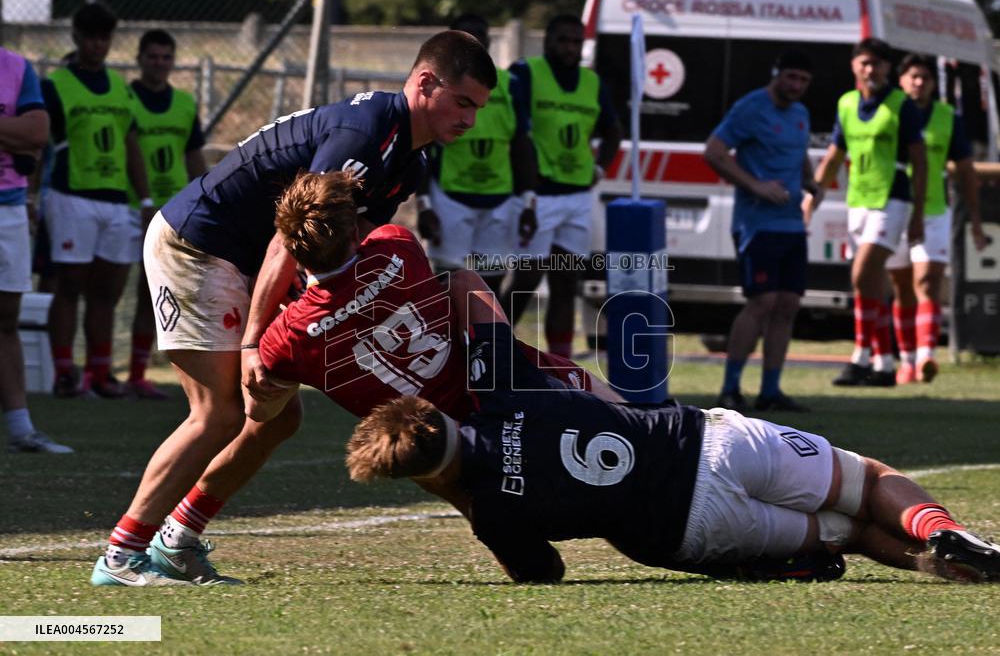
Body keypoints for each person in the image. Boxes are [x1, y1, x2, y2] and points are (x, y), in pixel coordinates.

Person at [90, 30, 497, 586]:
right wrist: (257, 339)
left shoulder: (408, 158)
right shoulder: (365, 135)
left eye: (479, 108)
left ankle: (176, 542)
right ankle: (121, 555)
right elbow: (287, 239)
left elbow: (342, 257)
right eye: (464, 102)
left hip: (243, 259)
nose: (471, 119)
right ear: (426, 83)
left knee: (275, 420)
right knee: (220, 413)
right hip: (199, 245)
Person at [347, 288, 1000, 584]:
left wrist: (457, 493)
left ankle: (942, 568)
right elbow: (467, 284)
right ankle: (937, 527)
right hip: (703, 443)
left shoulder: (491, 512)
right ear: (437, 416)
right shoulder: (497, 399)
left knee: (851, 533)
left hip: (686, 531)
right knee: (870, 483)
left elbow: (542, 574)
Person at [39, 3, 155, 398]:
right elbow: (40, 144)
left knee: (108, 291)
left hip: (115, 202)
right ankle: (63, 372)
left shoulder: (120, 87)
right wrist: (34, 197)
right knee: (69, 286)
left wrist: (144, 199)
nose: (97, 45)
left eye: (104, 38)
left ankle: (100, 374)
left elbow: (130, 143)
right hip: (70, 197)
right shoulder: (55, 84)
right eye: (90, 37)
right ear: (75, 37)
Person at [501, 15, 622, 359]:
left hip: (578, 196)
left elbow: (613, 129)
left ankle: (561, 363)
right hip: (538, 196)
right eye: (563, 40)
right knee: (526, 279)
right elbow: (515, 131)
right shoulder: (525, 72)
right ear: (548, 41)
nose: (570, 48)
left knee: (566, 282)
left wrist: (599, 167)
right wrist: (523, 183)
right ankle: (493, 352)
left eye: (576, 42)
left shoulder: (591, 82)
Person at [704, 49, 818, 413]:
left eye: (803, 80)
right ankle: (730, 388)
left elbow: (799, 153)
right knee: (762, 302)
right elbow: (714, 151)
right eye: (791, 77)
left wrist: (810, 182)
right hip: (757, 223)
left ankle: (770, 390)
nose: (796, 86)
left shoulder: (800, 113)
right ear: (777, 74)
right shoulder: (751, 107)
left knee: (788, 305)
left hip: (791, 224)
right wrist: (755, 185)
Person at [808, 38, 926, 388]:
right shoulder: (847, 103)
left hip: (893, 200)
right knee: (869, 285)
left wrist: (918, 213)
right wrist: (811, 197)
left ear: (888, 68)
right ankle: (885, 363)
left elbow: (920, 161)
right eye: (864, 63)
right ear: (854, 66)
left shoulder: (900, 105)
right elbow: (833, 157)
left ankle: (861, 355)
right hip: (857, 201)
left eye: (877, 63)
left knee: (863, 273)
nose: (870, 69)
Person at [417, 14, 537, 295]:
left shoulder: (510, 84)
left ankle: (484, 338)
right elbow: (422, 147)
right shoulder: (437, 87)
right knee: (447, 281)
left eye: (479, 35)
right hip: (450, 199)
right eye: (464, 35)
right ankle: (447, 339)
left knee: (489, 282)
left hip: (499, 200)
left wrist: (528, 202)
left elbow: (521, 144)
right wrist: (424, 205)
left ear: (488, 42)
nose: (473, 42)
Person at [888, 54, 987, 385]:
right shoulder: (889, 112)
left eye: (925, 77)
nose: (919, 82)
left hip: (933, 210)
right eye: (913, 76)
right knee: (902, 287)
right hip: (893, 207)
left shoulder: (947, 117)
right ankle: (906, 360)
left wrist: (974, 216)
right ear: (901, 80)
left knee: (927, 283)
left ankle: (926, 354)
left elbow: (965, 170)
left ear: (934, 83)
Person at [124, 29, 208, 399]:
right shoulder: (123, 99)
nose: (159, 63)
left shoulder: (184, 104)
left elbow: (194, 157)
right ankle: (93, 371)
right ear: (139, 59)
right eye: (152, 56)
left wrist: (202, 197)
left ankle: (137, 373)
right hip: (126, 204)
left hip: (172, 211)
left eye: (165, 57)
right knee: (105, 291)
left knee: (150, 293)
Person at [0, 45, 73, 453]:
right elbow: (22, 135)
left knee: (5, 320)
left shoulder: (14, 66)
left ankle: (21, 429)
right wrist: (13, 134)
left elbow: (37, 133)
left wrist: (22, 137)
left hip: (8, 208)